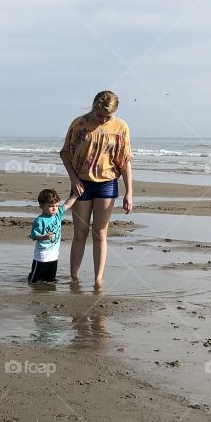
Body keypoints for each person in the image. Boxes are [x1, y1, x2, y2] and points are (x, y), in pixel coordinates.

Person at [59, 90, 132, 290]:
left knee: (100, 233)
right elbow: (65, 154)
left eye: (107, 116)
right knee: (80, 232)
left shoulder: (120, 127)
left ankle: (98, 279)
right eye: (99, 115)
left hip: (107, 183)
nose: (103, 119)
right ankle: (74, 277)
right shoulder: (79, 124)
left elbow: (124, 161)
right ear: (93, 107)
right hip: (81, 182)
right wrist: (73, 180)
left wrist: (129, 192)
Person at [28, 188, 77, 284]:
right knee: (35, 279)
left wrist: (76, 195)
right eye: (51, 206)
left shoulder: (58, 214)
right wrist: (44, 237)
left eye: (56, 205)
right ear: (42, 206)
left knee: (50, 280)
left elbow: (67, 204)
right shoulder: (40, 220)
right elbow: (34, 236)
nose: (54, 208)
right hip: (42, 255)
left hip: (54, 254)